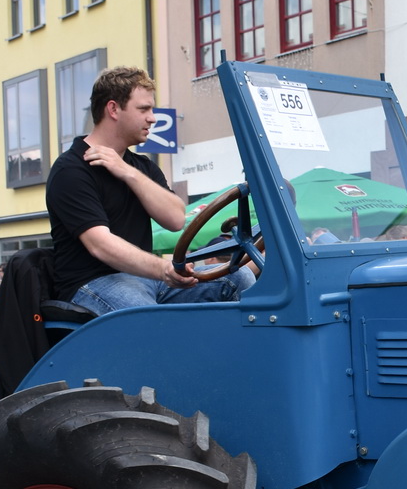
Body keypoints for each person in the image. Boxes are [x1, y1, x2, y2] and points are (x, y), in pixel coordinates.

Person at [49, 67, 256, 314]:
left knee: (239, 278)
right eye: (144, 109)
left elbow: (176, 219)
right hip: (92, 283)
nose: (153, 118)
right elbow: (100, 245)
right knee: (152, 319)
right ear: (113, 109)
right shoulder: (71, 169)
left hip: (146, 279)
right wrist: (163, 269)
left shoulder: (141, 167)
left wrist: (127, 171)